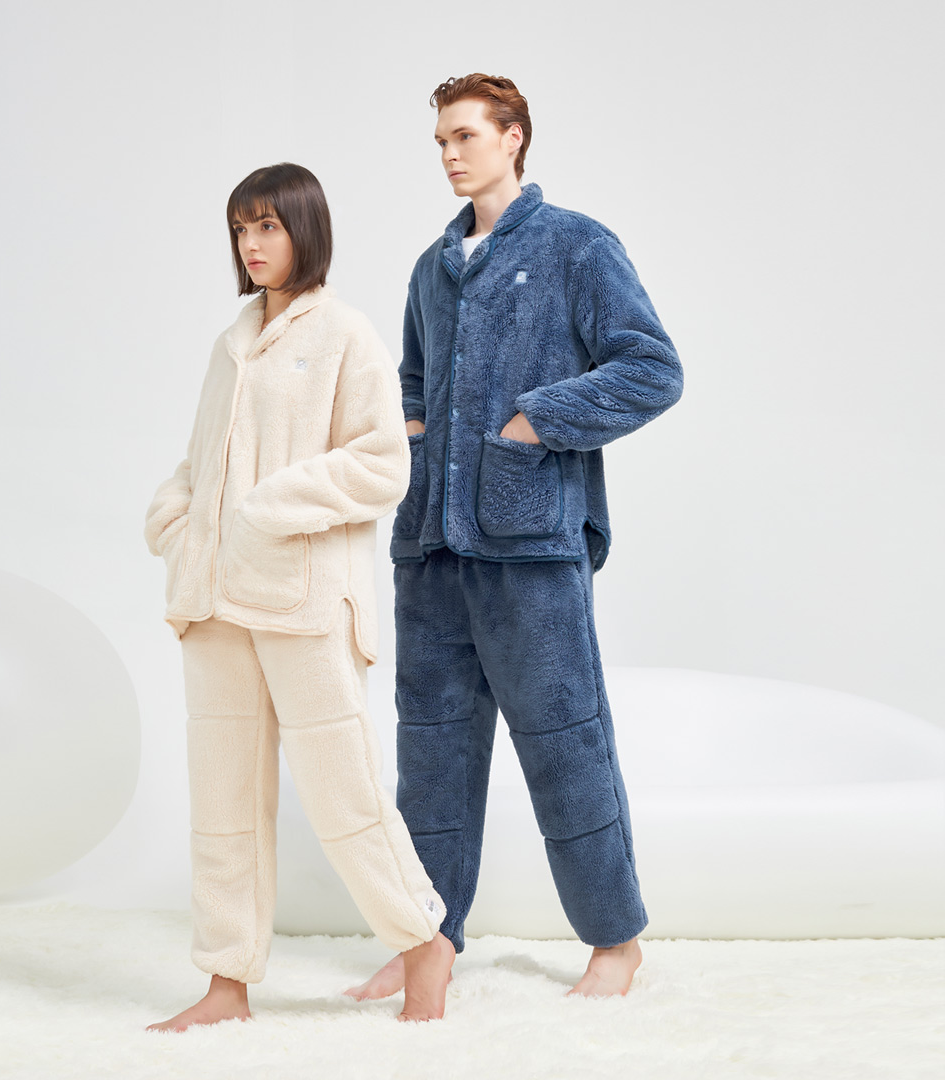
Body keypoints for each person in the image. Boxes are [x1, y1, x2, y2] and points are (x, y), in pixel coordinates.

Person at [345, 75, 683, 1002]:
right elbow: (411, 383)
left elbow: (652, 367)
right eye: (440, 141)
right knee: (431, 760)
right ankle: (426, 942)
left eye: (465, 135)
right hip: (432, 550)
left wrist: (536, 421)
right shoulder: (431, 266)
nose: (450, 154)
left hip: (530, 545)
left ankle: (615, 942)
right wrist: (415, 436)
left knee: (565, 745)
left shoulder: (576, 244)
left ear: (513, 137)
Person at [143, 163, 454, 1029]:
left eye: (269, 226)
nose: (252, 243)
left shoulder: (345, 333)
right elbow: (203, 456)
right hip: (213, 600)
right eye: (242, 228)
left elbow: (382, 461)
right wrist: (175, 518)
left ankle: (423, 942)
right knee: (223, 803)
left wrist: (265, 508)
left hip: (303, 597)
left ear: (304, 230)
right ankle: (226, 983)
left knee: (341, 791)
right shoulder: (232, 341)